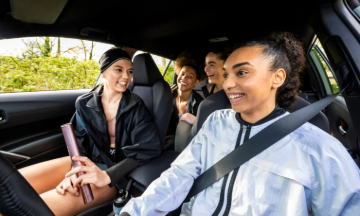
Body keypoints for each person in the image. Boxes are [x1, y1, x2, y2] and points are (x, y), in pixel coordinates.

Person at [119, 32, 360, 216]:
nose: (229, 83)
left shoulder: (318, 147)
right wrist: (136, 211)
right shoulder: (215, 122)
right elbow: (179, 174)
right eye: (226, 74)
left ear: (277, 77)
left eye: (242, 73)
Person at [18, 48, 161, 215]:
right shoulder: (84, 103)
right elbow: (78, 142)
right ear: (104, 72)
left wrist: (107, 176)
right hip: (86, 162)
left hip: (115, 174)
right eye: (118, 70)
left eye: (130, 71)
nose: (126, 76)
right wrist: (74, 171)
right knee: (11, 185)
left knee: (26, 209)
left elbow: (149, 146)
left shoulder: (137, 106)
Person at [167, 64, 203, 136]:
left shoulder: (200, 104)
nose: (183, 78)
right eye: (182, 74)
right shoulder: (166, 97)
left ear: (196, 82)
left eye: (189, 76)